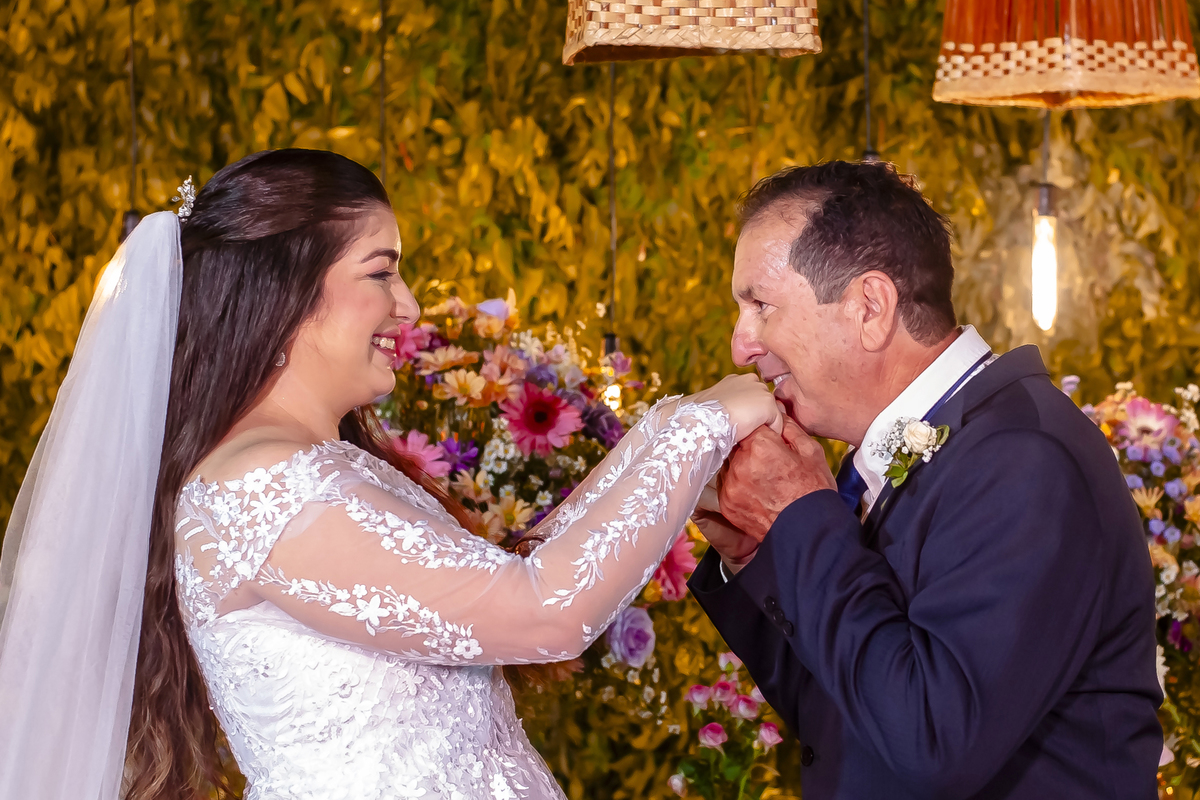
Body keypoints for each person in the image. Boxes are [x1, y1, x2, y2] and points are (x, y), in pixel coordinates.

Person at [0, 149, 782, 800]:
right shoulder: (263, 488)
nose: (407, 307)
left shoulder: (305, 468)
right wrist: (698, 421)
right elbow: (544, 613)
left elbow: (507, 579)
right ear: (289, 294)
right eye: (382, 273)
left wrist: (673, 468)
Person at [689, 161, 1163, 799]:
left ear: (871, 308)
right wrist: (757, 552)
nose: (740, 345)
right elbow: (846, 714)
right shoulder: (904, 451)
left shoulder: (1025, 460)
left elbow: (933, 741)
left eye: (760, 306)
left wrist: (798, 517)